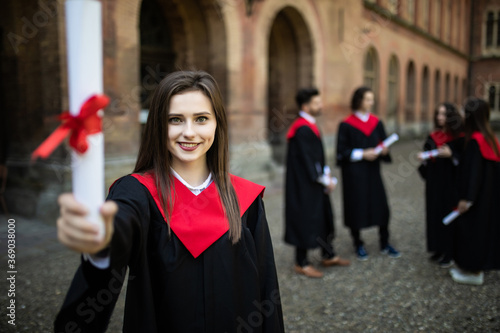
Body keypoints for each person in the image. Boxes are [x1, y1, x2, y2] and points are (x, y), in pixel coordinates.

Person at [54, 70, 285, 332]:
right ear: (157, 126)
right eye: (175, 119)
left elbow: (266, 287)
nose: (189, 132)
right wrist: (102, 244)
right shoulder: (136, 193)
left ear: (217, 124)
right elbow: (120, 224)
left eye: (201, 119)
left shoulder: (245, 199)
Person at [284, 88, 350, 279]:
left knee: (323, 216)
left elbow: (317, 157)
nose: (320, 105)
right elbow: (307, 161)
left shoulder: (309, 125)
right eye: (317, 103)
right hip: (304, 185)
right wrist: (324, 180)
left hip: (315, 182)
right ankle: (301, 262)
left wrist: (326, 175)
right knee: (305, 219)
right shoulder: (302, 128)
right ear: (306, 106)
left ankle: (328, 254)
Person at [336, 86, 400, 261]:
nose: (371, 102)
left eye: (372, 99)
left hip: (373, 172)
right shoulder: (346, 125)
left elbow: (382, 143)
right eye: (368, 99)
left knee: (381, 207)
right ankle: (358, 243)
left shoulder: (376, 123)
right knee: (356, 207)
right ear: (358, 101)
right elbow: (341, 152)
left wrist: (384, 151)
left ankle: (385, 242)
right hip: (354, 174)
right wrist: (363, 154)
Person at [450, 98, 500, 285]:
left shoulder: (475, 142)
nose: (461, 115)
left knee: (471, 233)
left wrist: (467, 199)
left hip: (476, 200)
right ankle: (478, 267)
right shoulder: (490, 138)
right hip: (488, 199)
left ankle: (472, 272)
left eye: (464, 112)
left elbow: (474, 173)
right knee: (484, 232)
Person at [417, 103, 464, 267]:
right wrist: (423, 160)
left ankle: (449, 251)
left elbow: (465, 161)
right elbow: (427, 157)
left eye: (443, 114)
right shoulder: (433, 136)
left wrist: (452, 155)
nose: (439, 118)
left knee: (448, 215)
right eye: (438, 114)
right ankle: (437, 248)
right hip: (434, 182)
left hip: (450, 183)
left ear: (451, 116)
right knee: (433, 214)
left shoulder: (459, 137)